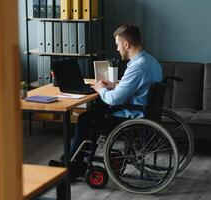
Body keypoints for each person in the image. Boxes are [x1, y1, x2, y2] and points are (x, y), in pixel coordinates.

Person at [49, 24, 163, 180]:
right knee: (94, 114)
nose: (117, 49)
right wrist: (114, 86)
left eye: (117, 45)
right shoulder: (150, 61)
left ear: (126, 44)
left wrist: (99, 88)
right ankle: (75, 161)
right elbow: (137, 89)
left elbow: (115, 99)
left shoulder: (138, 67)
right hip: (143, 111)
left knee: (86, 119)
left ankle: (71, 165)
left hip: (132, 115)